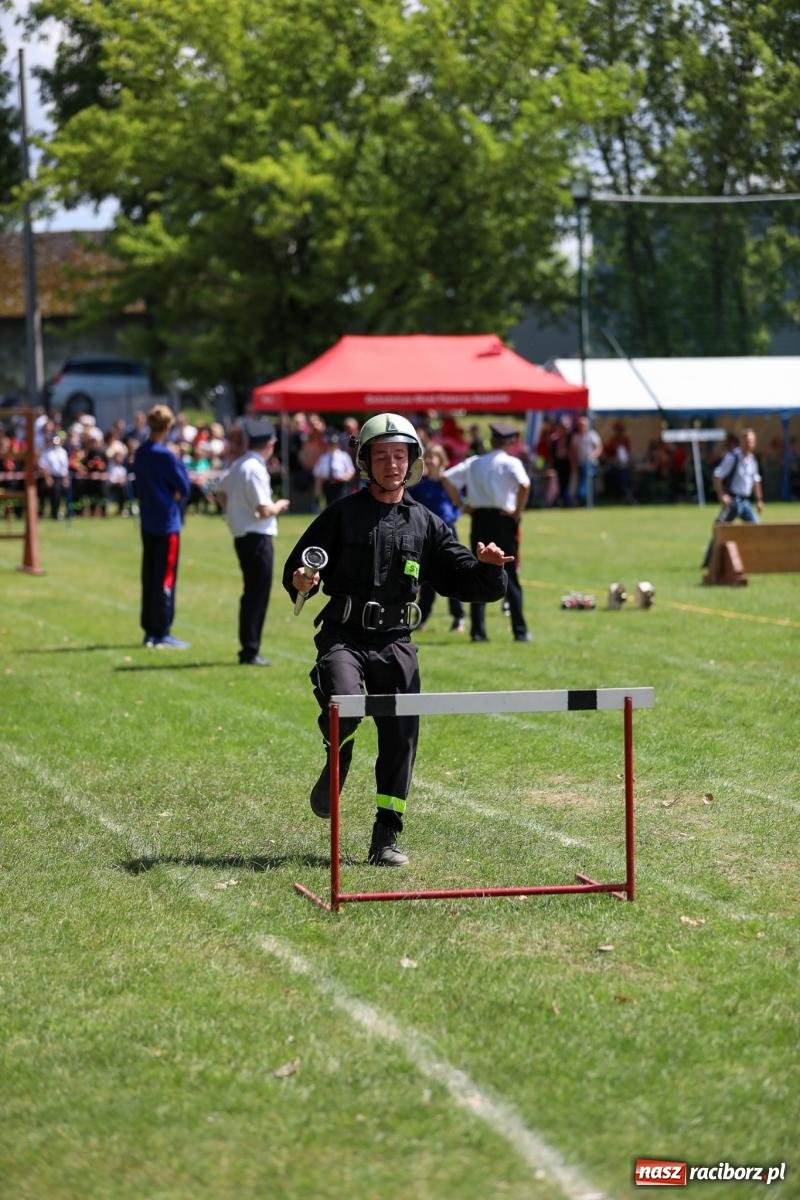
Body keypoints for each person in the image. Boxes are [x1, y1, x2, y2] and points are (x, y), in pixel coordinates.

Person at [282, 412, 510, 867]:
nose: (392, 465)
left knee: (402, 738)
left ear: (413, 462)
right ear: (366, 462)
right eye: (382, 456)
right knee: (343, 702)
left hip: (397, 643)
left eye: (400, 456)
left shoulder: (425, 523)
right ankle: (338, 756)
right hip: (343, 636)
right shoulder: (341, 515)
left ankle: (385, 837)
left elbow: (460, 578)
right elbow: (302, 567)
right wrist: (303, 581)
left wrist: (489, 568)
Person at [441, 420, 531, 643]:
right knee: (509, 571)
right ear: (510, 442)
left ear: (491, 440)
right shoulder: (511, 462)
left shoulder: (475, 462)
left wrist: (461, 505)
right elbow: (525, 485)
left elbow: (446, 477)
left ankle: (478, 631)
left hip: (480, 518)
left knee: (478, 571)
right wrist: (518, 511)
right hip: (503, 518)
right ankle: (519, 630)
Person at [217, 420, 289, 666]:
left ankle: (249, 647)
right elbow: (264, 509)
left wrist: (233, 512)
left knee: (252, 593)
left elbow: (220, 492)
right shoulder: (255, 468)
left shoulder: (238, 465)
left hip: (242, 534)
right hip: (257, 535)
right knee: (257, 594)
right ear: (269, 444)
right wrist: (280, 505)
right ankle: (250, 650)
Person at [133, 404, 192, 649]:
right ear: (167, 427)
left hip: (148, 520)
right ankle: (162, 631)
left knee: (149, 575)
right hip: (167, 523)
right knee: (165, 578)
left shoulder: (141, 452)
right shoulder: (165, 455)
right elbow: (185, 485)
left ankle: (149, 629)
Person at [408, 443, 465, 632]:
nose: (431, 460)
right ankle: (421, 619)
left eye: (435, 457)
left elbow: (458, 502)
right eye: (428, 457)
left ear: (442, 460)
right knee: (426, 579)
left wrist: (453, 517)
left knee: (453, 575)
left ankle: (459, 619)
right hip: (425, 535)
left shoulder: (447, 482)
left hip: (447, 533)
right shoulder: (420, 485)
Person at [701, 428, 764, 569]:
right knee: (720, 529)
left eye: (751, 441)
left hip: (746, 501)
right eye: (746, 441)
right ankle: (708, 562)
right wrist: (722, 494)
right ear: (741, 441)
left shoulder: (752, 460)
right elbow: (717, 476)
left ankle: (756, 559)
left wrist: (759, 499)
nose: (749, 444)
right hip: (733, 501)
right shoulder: (733, 457)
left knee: (757, 528)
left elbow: (756, 481)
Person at [312, 427, 356, 508]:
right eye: (330, 444)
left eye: (334, 444)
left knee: (342, 505)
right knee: (330, 506)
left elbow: (351, 471)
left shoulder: (343, 456)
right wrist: (317, 493)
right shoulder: (323, 458)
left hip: (341, 484)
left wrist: (344, 477)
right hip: (328, 485)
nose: (332, 446)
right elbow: (318, 476)